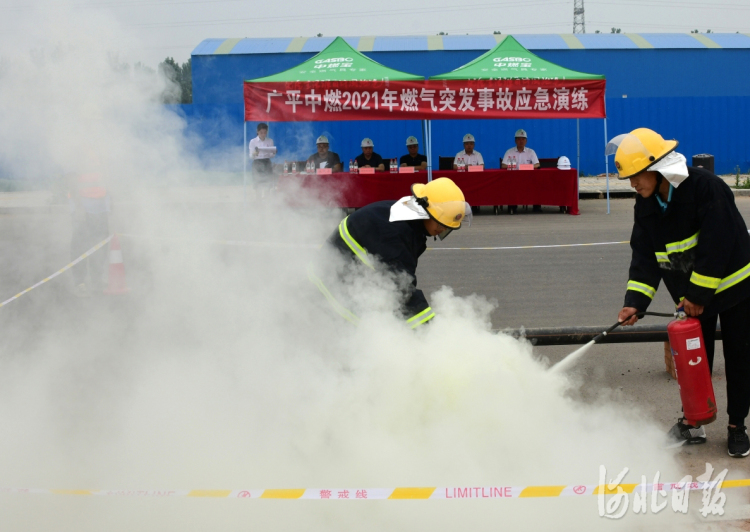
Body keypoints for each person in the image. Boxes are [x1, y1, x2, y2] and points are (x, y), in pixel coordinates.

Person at [610, 127, 750, 457]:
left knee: (739, 357)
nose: (633, 184)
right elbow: (644, 257)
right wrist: (635, 303)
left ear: (656, 168)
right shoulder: (645, 204)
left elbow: (717, 246)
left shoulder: (705, 188)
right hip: (692, 298)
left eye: (636, 176)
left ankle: (737, 426)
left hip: (735, 288)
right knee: (691, 362)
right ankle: (695, 422)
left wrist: (699, 296)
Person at [311, 178, 471, 329]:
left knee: (388, 317)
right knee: (365, 329)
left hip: (353, 274)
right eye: (440, 224)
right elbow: (402, 287)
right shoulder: (396, 233)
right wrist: (429, 330)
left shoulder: (409, 215)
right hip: (331, 280)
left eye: (446, 228)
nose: (441, 230)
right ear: (427, 210)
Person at [67, 169, 110, 297]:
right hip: (83, 205)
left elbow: (106, 177)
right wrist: (79, 207)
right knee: (80, 245)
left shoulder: (101, 151)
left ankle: (97, 280)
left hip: (101, 206)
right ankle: (79, 282)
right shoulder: (77, 151)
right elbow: (71, 179)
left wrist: (109, 202)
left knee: (100, 244)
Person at [502, 129, 541, 214]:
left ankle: (536, 206)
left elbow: (537, 165)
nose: (521, 141)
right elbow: (503, 165)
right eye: (519, 139)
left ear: (526, 141)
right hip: (513, 179)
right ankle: (512, 207)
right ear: (515, 141)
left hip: (528, 178)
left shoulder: (531, 152)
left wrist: (527, 167)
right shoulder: (509, 152)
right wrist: (515, 167)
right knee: (512, 185)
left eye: (523, 139)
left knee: (538, 182)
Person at [248, 122, 276, 197]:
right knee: (257, 183)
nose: (263, 134)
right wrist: (254, 153)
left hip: (267, 162)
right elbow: (250, 156)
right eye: (261, 132)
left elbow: (271, 155)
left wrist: (273, 153)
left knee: (268, 182)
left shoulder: (270, 141)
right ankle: (258, 200)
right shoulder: (253, 141)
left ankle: (267, 199)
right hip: (257, 162)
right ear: (257, 131)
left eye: (265, 132)